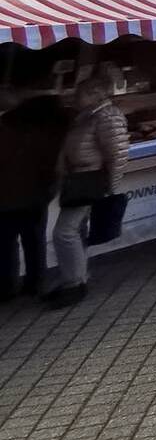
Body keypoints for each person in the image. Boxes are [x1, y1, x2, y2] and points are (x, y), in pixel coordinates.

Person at [46, 68, 130, 308]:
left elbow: (117, 155)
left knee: (64, 232)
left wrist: (110, 187)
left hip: (89, 180)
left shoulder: (106, 116)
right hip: (79, 178)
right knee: (76, 231)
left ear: (95, 94)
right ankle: (76, 279)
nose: (75, 97)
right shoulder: (88, 115)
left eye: (80, 93)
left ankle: (73, 284)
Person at [0, 93, 68, 303]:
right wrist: (49, 190)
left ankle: (6, 287)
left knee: (4, 244)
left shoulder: (6, 130)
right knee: (34, 241)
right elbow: (53, 166)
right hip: (37, 196)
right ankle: (35, 283)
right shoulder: (52, 132)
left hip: (5, 197)